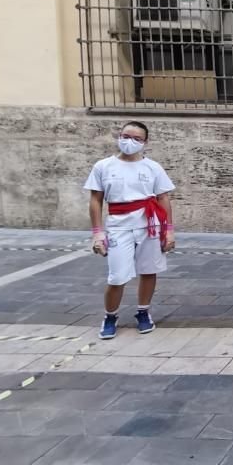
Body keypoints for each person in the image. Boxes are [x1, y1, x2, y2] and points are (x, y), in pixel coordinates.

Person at [85, 121, 175, 340]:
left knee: (148, 270)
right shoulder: (103, 166)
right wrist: (98, 232)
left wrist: (169, 230)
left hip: (149, 224)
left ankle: (143, 311)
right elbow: (96, 200)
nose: (130, 141)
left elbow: (163, 198)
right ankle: (110, 316)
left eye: (137, 139)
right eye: (126, 136)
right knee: (117, 275)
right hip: (118, 225)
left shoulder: (152, 167)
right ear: (119, 136)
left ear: (145, 142)